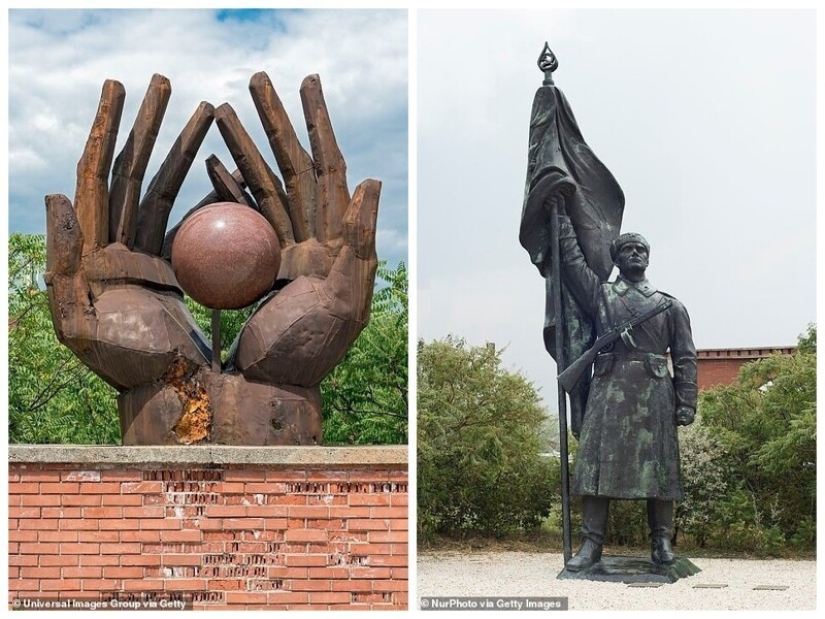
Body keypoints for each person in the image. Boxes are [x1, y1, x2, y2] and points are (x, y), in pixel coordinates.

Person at [556, 207, 697, 571]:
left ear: (649, 258)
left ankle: (662, 542)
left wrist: (687, 402)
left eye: (642, 250)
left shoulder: (670, 305)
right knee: (596, 469)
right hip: (608, 388)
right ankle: (591, 545)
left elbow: (685, 358)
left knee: (660, 472)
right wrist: (561, 218)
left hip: (653, 395)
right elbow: (571, 263)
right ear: (616, 259)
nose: (636, 255)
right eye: (629, 250)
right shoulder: (601, 295)